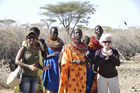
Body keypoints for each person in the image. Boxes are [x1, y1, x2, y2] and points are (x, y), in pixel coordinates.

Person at [58, 29, 88, 93]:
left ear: (82, 35)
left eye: (80, 33)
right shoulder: (68, 47)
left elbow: (88, 60)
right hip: (71, 73)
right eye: (76, 33)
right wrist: (76, 61)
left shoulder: (86, 48)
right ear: (73, 35)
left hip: (82, 73)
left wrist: (86, 61)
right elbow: (64, 61)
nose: (78, 34)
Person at [43, 27, 64, 93]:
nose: (55, 35)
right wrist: (52, 55)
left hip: (58, 67)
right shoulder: (45, 43)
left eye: (56, 33)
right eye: (53, 33)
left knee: (57, 84)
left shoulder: (61, 43)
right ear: (50, 33)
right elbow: (43, 57)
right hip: (49, 67)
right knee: (50, 84)